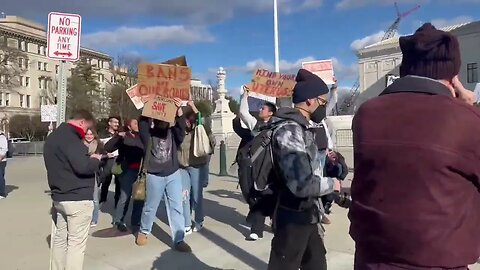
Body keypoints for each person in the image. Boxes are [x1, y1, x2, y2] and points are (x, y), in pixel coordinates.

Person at [349, 23, 480, 270]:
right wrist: (470, 109)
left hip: (372, 258)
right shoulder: (466, 120)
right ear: (454, 77)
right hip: (438, 261)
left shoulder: (367, 114)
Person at [267, 69, 335, 270]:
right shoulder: (289, 130)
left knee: (316, 263)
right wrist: (334, 184)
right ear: (309, 101)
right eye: (322, 102)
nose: (323, 107)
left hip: (307, 213)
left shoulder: (301, 127)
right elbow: (301, 184)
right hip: (291, 217)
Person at [44, 109, 103, 270]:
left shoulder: (53, 138)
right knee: (76, 245)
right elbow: (83, 167)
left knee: (60, 240)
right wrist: (94, 160)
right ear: (82, 122)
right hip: (78, 198)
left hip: (59, 197)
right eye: (86, 128)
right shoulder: (71, 139)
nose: (85, 133)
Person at [135, 98, 192, 253]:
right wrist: (147, 108)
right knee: (150, 206)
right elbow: (142, 125)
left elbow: (181, 128)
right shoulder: (149, 135)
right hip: (154, 175)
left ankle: (179, 239)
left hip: (173, 174)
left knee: (177, 207)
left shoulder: (173, 134)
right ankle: (144, 231)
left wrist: (179, 110)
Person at [238, 87, 277, 241]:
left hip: (271, 168)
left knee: (270, 196)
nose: (260, 109)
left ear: (271, 112)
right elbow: (243, 112)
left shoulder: (278, 127)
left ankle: (271, 225)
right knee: (254, 196)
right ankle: (257, 226)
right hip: (254, 168)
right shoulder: (256, 124)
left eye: (263, 108)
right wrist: (245, 96)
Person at [178, 101, 215, 235]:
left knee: (196, 196)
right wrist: (178, 108)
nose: (187, 122)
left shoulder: (200, 129)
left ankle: (198, 220)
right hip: (182, 166)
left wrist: (192, 105)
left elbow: (200, 118)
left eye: (190, 119)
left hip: (196, 166)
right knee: (184, 196)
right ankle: (187, 223)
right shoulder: (180, 131)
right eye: (185, 119)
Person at [104, 119, 145, 232]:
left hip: (140, 171)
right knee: (124, 197)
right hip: (127, 171)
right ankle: (118, 220)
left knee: (139, 197)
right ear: (129, 126)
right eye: (135, 123)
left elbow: (142, 148)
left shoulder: (142, 136)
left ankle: (135, 222)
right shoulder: (124, 137)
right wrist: (117, 137)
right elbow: (108, 147)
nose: (138, 125)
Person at [83, 128, 108, 227]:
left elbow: (104, 159)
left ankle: (94, 219)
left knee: (94, 198)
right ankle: (84, 218)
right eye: (87, 134)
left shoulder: (99, 145)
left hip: (94, 173)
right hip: (82, 173)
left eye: (91, 134)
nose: (89, 136)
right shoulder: (80, 145)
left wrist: (97, 158)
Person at [99, 116, 120, 205]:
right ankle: (103, 199)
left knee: (119, 181)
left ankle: (117, 200)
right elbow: (100, 146)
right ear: (109, 123)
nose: (117, 124)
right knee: (106, 179)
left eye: (118, 123)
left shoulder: (119, 134)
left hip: (118, 159)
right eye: (115, 122)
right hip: (108, 160)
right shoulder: (103, 133)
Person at [0, 132, 7, 200]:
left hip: (1, 161)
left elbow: (5, 149)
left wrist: (1, 157)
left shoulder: (2, 138)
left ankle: (2, 193)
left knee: (0, 177)